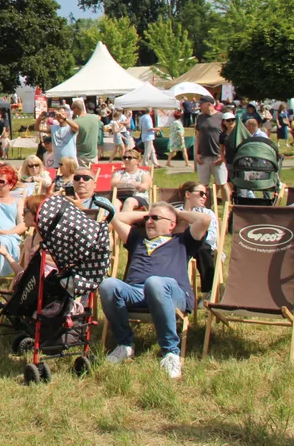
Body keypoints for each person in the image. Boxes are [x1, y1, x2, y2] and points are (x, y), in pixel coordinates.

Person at [100, 202, 210, 379]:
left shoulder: (183, 240)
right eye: (147, 219)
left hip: (172, 293)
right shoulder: (136, 238)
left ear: (172, 225)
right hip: (136, 291)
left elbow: (204, 219)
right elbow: (115, 218)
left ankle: (171, 352)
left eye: (155, 218)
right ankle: (125, 345)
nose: (149, 222)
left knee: (155, 283)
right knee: (108, 285)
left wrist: (177, 213)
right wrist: (147, 214)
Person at [177, 181, 219, 299]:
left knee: (202, 248)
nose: (204, 197)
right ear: (188, 194)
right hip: (178, 246)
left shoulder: (207, 213)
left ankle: (209, 292)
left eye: (206, 194)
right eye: (201, 193)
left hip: (201, 247)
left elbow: (212, 236)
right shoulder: (175, 212)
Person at [194, 95, 230, 204]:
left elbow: (227, 137)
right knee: (203, 185)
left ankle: (227, 208)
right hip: (203, 156)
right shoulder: (200, 117)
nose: (199, 106)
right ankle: (204, 206)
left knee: (222, 183)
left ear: (209, 104)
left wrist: (222, 155)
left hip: (217, 156)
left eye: (202, 104)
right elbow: (197, 137)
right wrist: (196, 154)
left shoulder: (221, 117)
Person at [73, 99, 103, 167]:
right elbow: (99, 117)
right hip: (93, 154)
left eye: (73, 108)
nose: (72, 111)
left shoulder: (76, 121)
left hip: (81, 154)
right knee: (93, 175)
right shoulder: (95, 117)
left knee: (83, 175)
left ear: (76, 108)